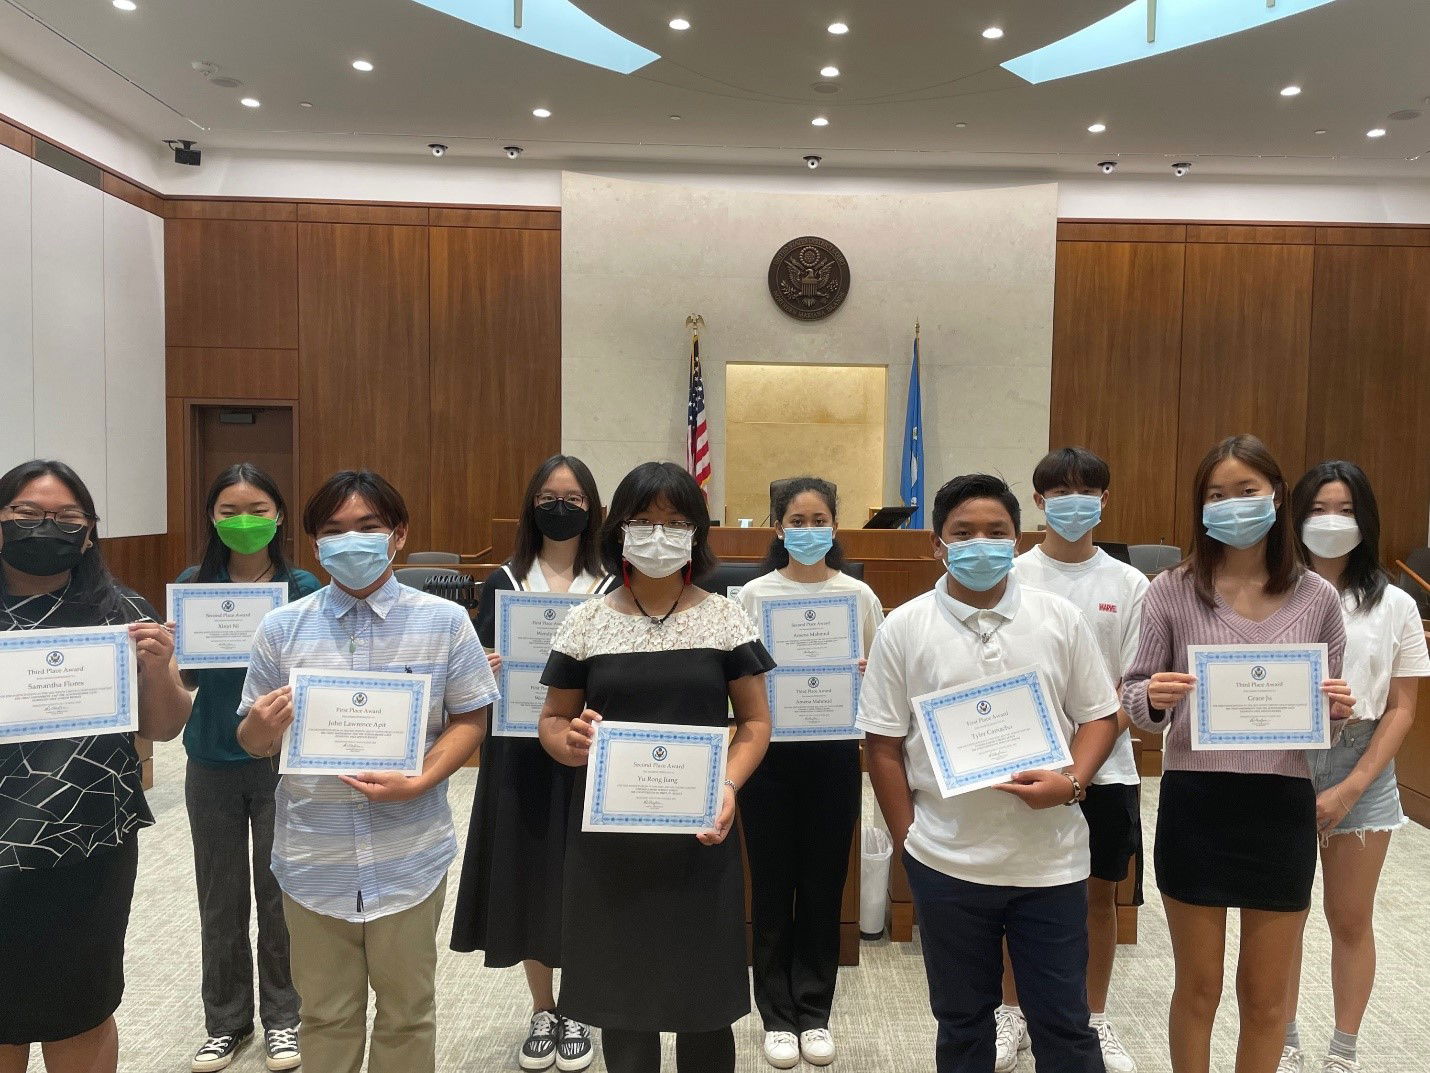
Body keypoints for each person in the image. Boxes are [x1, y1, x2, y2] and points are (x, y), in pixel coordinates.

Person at [235, 469, 498, 1073]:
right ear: (315, 544)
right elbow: (249, 739)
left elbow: (469, 722)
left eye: (368, 527)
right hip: (311, 857)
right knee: (324, 1016)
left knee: (408, 1013)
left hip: (409, 852)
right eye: (333, 531)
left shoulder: (445, 623)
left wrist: (422, 779)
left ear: (397, 535)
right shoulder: (282, 627)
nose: (350, 541)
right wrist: (264, 727)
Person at [858, 472, 1122, 1073]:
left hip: (1050, 861)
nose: (981, 543)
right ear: (937, 544)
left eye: (996, 532)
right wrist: (911, 845)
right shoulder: (904, 627)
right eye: (964, 532)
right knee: (962, 1024)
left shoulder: (1058, 618)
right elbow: (882, 746)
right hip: (948, 862)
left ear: (1018, 537)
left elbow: (1101, 717)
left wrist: (1074, 782)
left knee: (1065, 1025)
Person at [1122, 435, 1356, 1073]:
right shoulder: (1170, 590)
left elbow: (1324, 731)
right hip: (1197, 800)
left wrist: (1334, 712)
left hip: (1280, 803)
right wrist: (1157, 696)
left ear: (1277, 497)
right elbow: (1136, 701)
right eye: (1216, 495)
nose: (1232, 505)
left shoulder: (1318, 598)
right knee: (1198, 988)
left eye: (1246, 491)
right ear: (1200, 508)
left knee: (1266, 997)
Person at [537, 461, 774, 1073]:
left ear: (697, 532)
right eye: (643, 521)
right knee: (623, 1007)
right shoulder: (586, 619)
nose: (658, 533)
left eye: (674, 521)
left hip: (699, 833)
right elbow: (552, 721)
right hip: (611, 841)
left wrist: (727, 785)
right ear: (618, 530)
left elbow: (754, 724)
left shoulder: (725, 616)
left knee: (705, 1008)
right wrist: (569, 742)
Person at [0, 459, 192, 1073]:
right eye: (27, 515)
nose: (45, 527)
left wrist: (158, 667)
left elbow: (163, 727)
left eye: (66, 517)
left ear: (88, 533)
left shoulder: (122, 612)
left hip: (86, 843)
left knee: (79, 1011)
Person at [452, 454, 614, 1072]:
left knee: (583, 875)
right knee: (528, 874)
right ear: (531, 505)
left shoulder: (612, 584)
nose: (562, 507)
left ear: (592, 508)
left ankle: (579, 1004)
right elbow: (466, 681)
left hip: (587, 750)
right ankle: (543, 1006)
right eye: (551, 496)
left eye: (574, 498)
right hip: (517, 753)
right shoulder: (500, 583)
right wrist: (483, 667)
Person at [999, 447, 1148, 1073]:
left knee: (1097, 897)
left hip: (1107, 768)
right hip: (1019, 764)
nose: (1073, 502)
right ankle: (1010, 1015)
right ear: (1038, 502)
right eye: (1059, 492)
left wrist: (1082, 759)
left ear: (1105, 500)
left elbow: (1134, 689)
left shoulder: (1130, 584)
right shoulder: (1010, 571)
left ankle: (1095, 1017)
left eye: (1087, 490)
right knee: (1013, 891)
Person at [1280, 461, 1430, 1073]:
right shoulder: (1273, 589)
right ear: (1296, 519)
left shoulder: (1394, 602)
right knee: (1281, 915)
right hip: (1282, 759)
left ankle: (1343, 1050)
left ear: (1365, 520)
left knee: (1349, 918)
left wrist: (1352, 786)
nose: (1331, 522)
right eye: (1318, 510)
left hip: (1360, 761)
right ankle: (1282, 1043)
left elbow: (1403, 707)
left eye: (1345, 511)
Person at [736, 476, 884, 1069]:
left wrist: (868, 671)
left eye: (818, 519)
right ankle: (775, 1015)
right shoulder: (750, 598)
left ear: (835, 526)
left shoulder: (858, 597)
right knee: (771, 883)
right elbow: (737, 682)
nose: (807, 530)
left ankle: (815, 1011)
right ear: (777, 526)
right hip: (769, 754)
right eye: (796, 521)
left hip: (833, 753)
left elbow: (880, 681)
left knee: (824, 883)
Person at [177, 463, 320, 1073]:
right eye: (230, 510)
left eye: (258, 509)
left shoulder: (303, 585)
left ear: (280, 515)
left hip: (282, 762)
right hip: (210, 758)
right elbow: (184, 680)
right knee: (221, 897)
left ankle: (285, 1019)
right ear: (211, 517)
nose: (244, 521)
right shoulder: (191, 585)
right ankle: (227, 1023)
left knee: (279, 893)